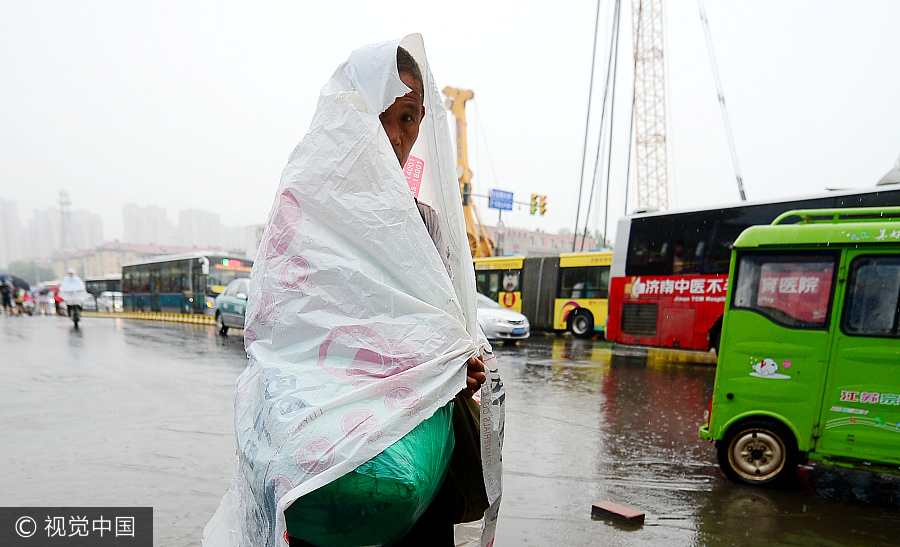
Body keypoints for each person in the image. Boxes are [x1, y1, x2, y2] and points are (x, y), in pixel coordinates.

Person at [204, 36, 504, 547]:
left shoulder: (430, 227)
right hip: (325, 470)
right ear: (350, 116)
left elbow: (446, 335)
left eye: (409, 117)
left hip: (411, 464)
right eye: (380, 115)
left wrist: (461, 370)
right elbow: (279, 345)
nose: (395, 134)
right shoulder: (302, 219)